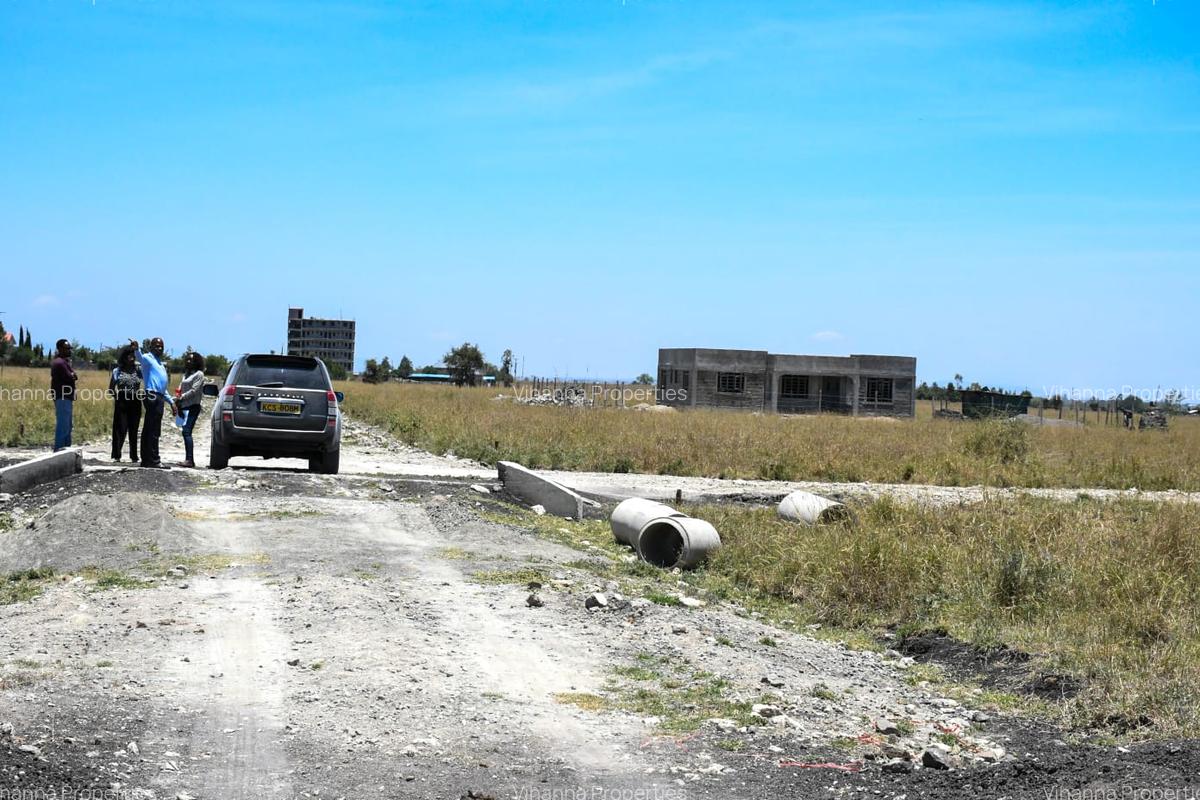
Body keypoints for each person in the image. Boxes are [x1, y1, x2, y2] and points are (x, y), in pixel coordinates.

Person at [130, 337, 179, 469]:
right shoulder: (148, 358)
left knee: (149, 429)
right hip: (152, 396)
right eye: (157, 346)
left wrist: (171, 402)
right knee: (153, 429)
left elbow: (162, 388)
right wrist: (136, 349)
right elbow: (140, 358)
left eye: (161, 346)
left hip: (159, 396)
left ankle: (146, 459)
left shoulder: (160, 363)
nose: (159, 348)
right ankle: (154, 460)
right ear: (151, 347)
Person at [108, 346, 142, 462]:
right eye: (129, 356)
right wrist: (118, 398)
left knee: (134, 429)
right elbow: (111, 389)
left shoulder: (138, 370)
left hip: (135, 400)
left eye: (133, 356)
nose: (132, 358)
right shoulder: (117, 371)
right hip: (122, 401)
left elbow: (147, 379)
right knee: (120, 428)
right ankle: (117, 455)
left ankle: (134, 456)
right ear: (124, 357)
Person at [175, 352, 206, 468]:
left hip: (193, 406)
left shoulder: (199, 374)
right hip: (183, 406)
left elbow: (194, 390)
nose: (188, 361)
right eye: (187, 359)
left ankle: (190, 460)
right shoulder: (186, 374)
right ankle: (187, 458)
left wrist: (181, 397)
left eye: (191, 360)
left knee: (187, 431)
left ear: (196, 361)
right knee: (183, 431)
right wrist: (177, 398)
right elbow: (181, 387)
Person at [50, 339, 77, 451]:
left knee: (68, 426)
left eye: (70, 348)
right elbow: (70, 377)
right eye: (67, 348)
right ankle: (59, 450)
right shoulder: (59, 363)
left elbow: (74, 376)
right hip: (62, 397)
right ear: (60, 349)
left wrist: (73, 375)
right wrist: (72, 375)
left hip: (66, 397)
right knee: (63, 426)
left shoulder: (64, 362)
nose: (69, 350)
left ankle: (66, 450)